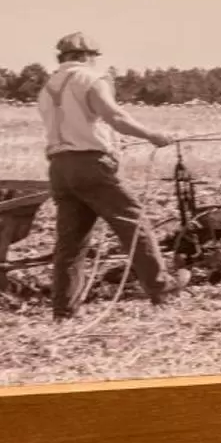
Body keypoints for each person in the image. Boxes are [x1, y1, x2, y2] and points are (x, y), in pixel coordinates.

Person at [36, 32, 187, 314]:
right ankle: (160, 286)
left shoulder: (48, 86)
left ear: (62, 57)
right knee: (134, 221)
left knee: (71, 244)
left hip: (60, 168)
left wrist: (110, 141)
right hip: (91, 166)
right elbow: (115, 117)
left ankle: (64, 310)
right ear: (88, 56)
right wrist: (152, 135)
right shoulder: (90, 79)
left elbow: (79, 125)